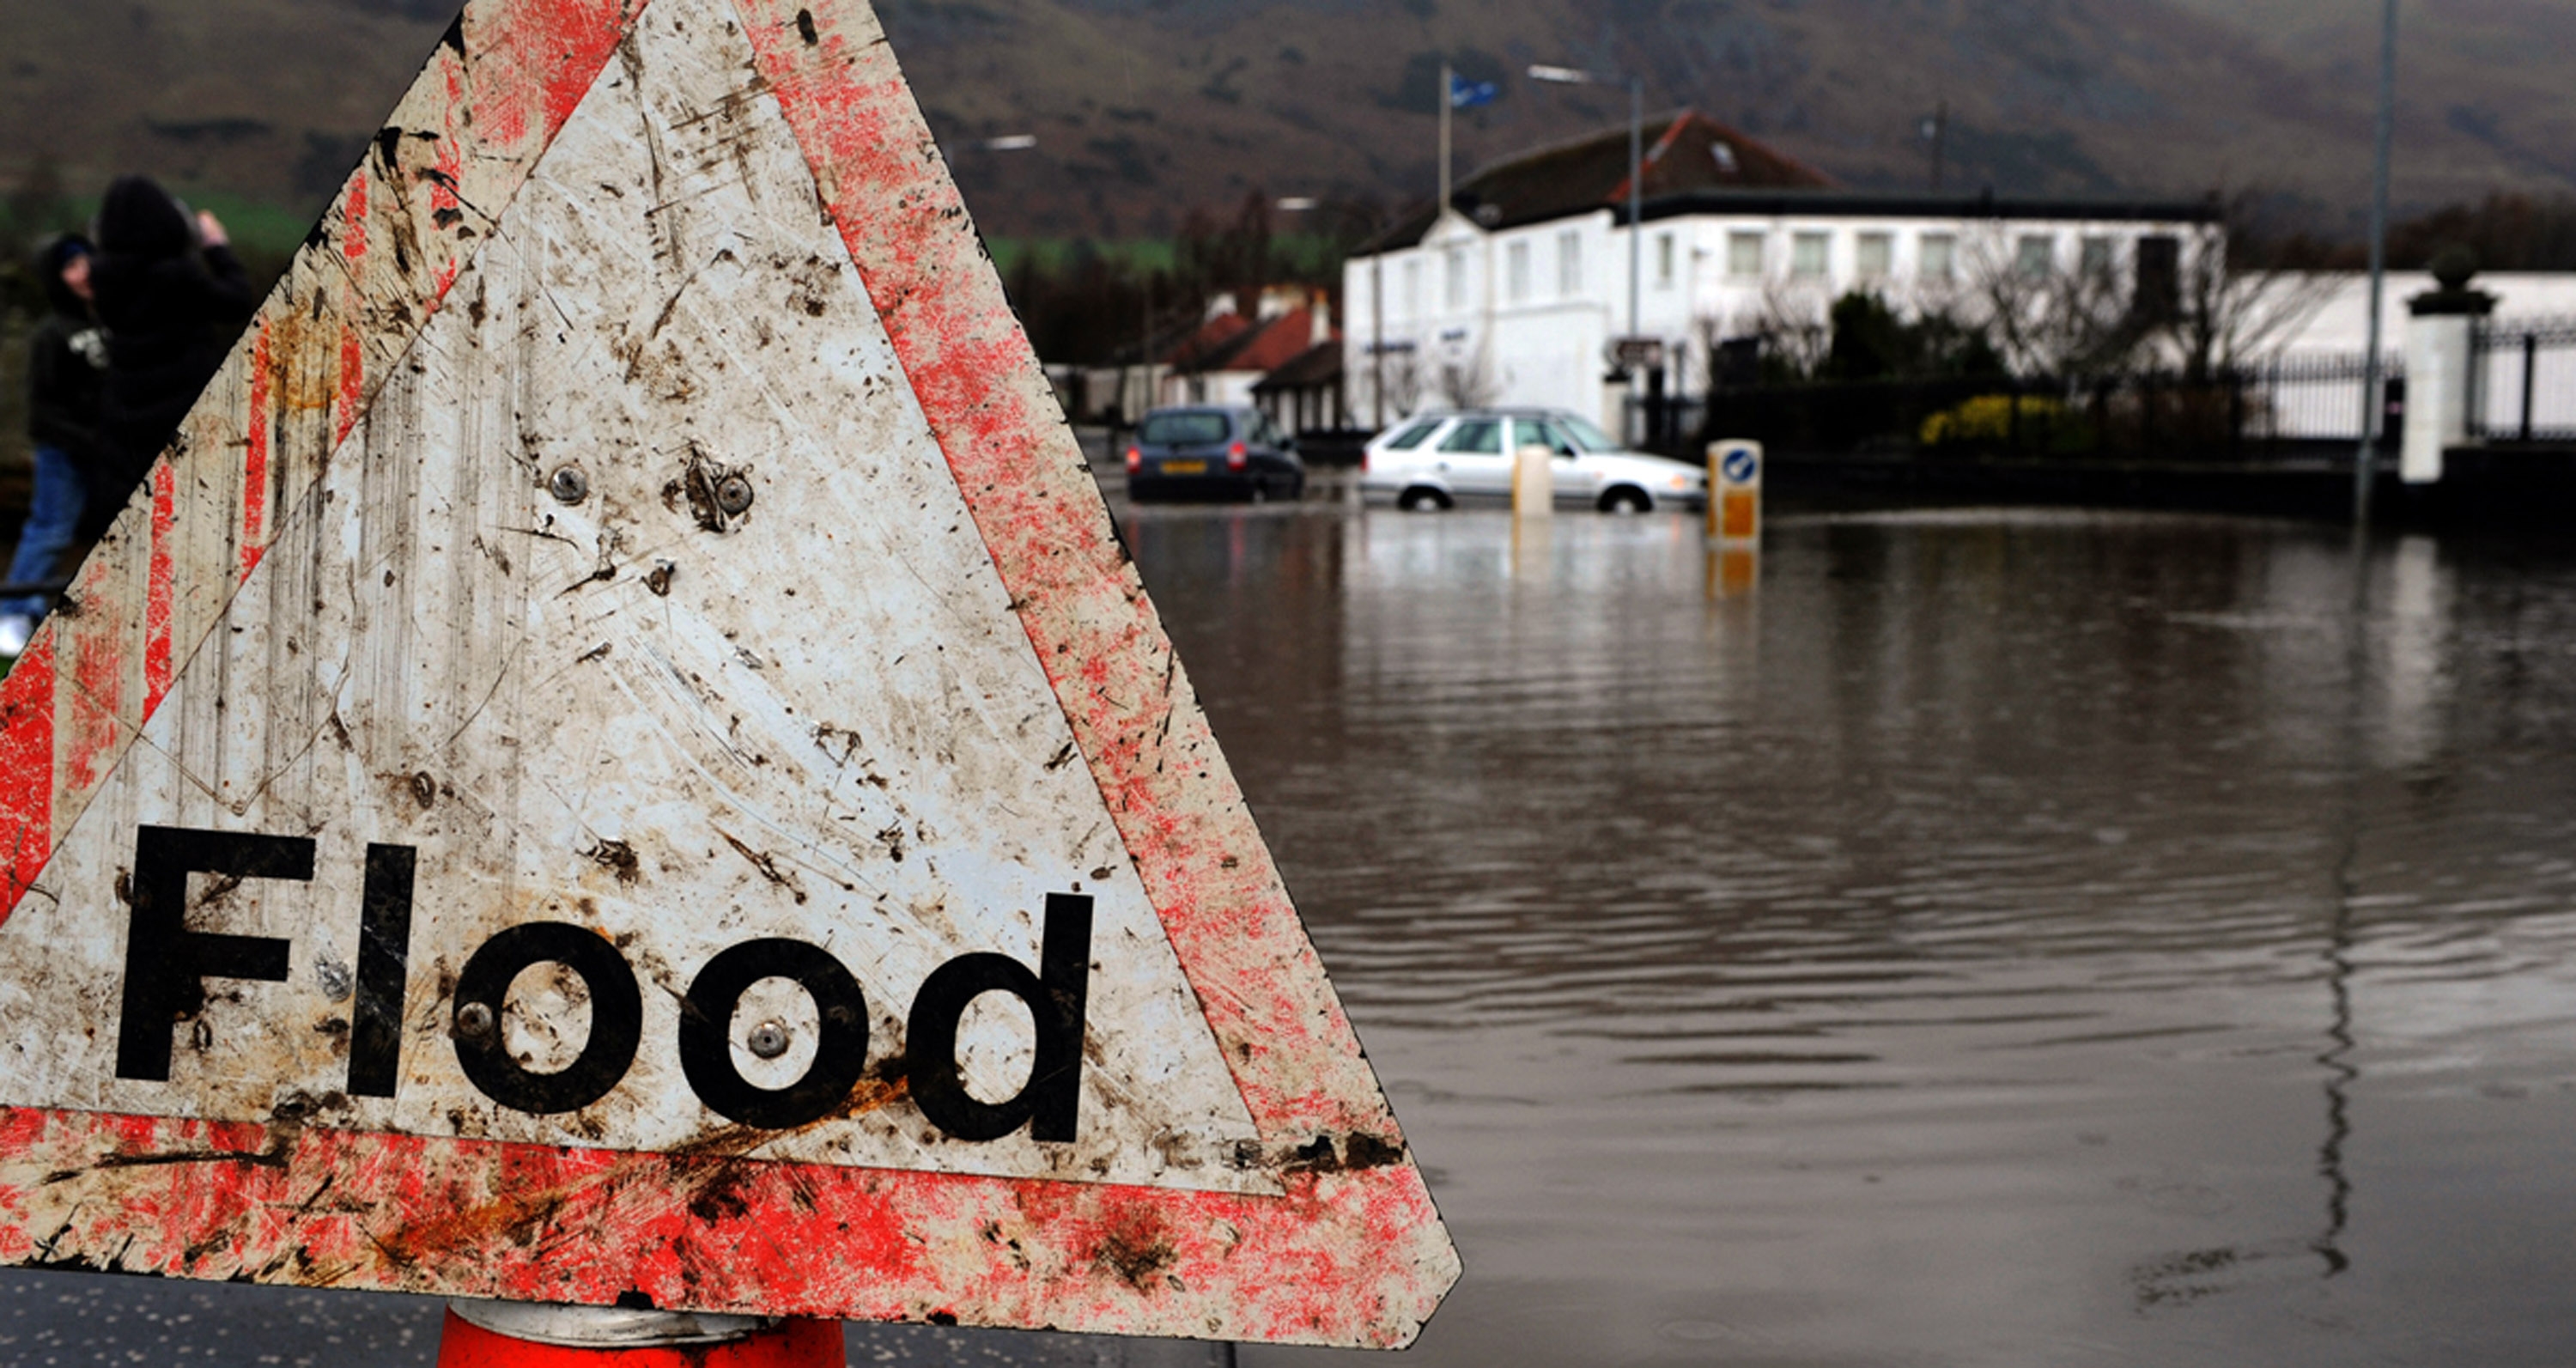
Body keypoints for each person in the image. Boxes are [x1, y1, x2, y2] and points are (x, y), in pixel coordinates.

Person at [86, 175, 258, 526]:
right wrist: (216, 246)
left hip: (125, 408)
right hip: (184, 400)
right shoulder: (176, 275)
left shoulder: (103, 278)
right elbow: (237, 300)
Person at [0, 234, 108, 655]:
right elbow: (43, 408)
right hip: (62, 452)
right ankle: (12, 612)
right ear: (56, 278)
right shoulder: (52, 333)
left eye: (87, 261)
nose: (84, 272)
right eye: (71, 266)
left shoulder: (104, 325)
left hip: (100, 453)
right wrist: (83, 441)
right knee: (50, 531)